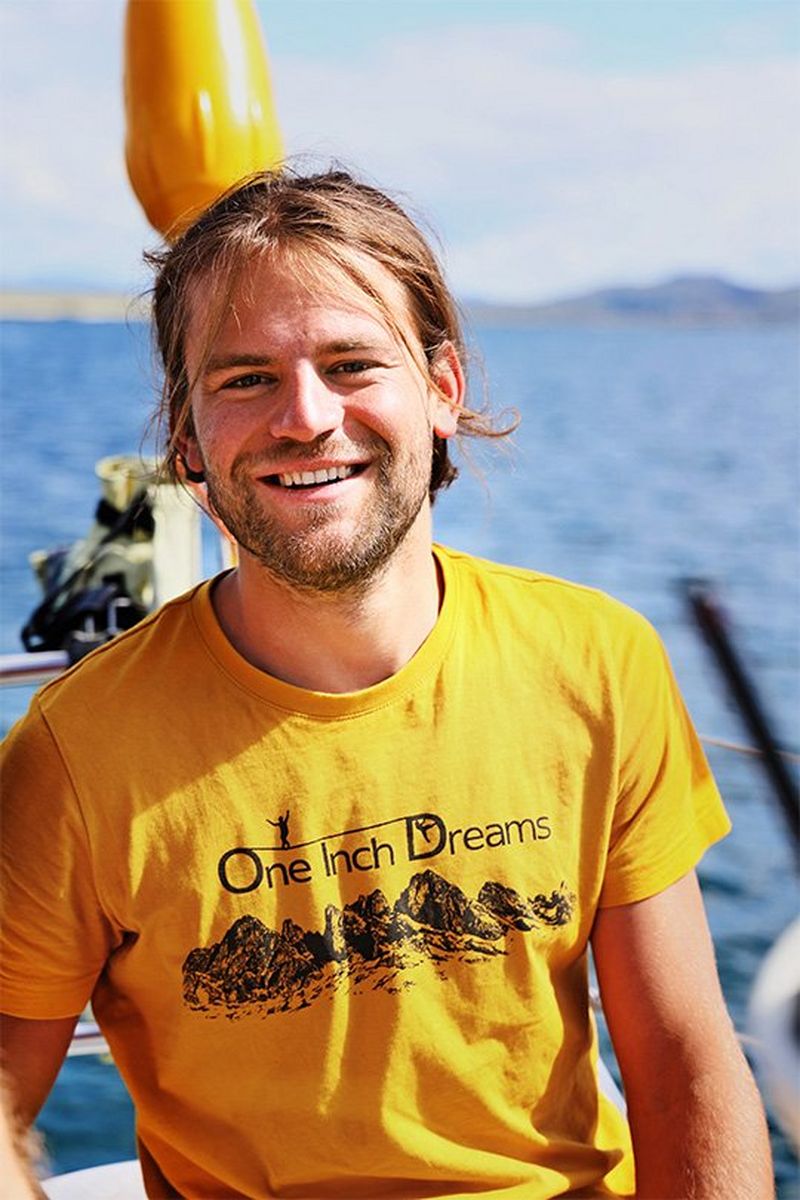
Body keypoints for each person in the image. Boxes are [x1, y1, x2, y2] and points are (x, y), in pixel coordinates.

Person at [1, 169, 772, 1199]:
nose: (306, 416)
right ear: (186, 438)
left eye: (351, 362)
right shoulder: (78, 752)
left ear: (441, 390)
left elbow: (680, 1052)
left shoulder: (596, 661)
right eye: (243, 379)